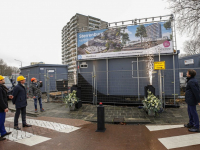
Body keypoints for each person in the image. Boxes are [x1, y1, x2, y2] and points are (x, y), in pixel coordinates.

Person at [0, 75, 13, 141]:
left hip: (1, 108)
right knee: (0, 121)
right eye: (3, 79)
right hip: (1, 108)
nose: (4, 80)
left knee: (2, 121)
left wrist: (8, 97)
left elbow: (3, 96)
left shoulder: (1, 87)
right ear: (0, 80)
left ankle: (3, 132)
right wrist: (5, 107)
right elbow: (0, 99)